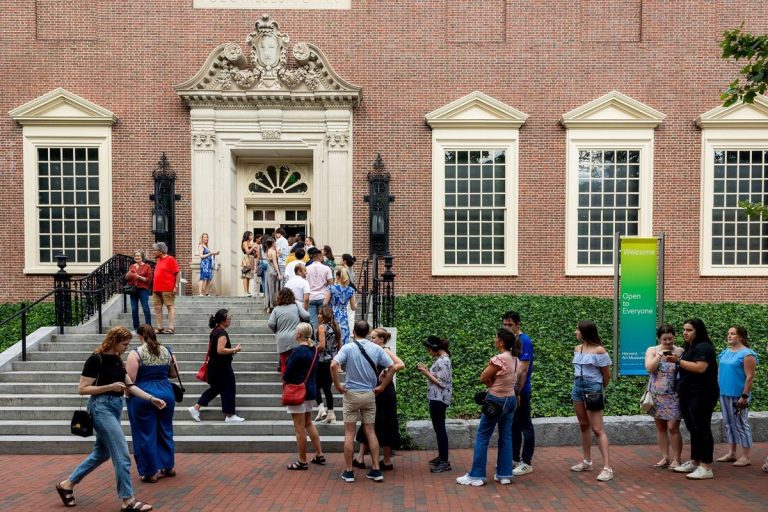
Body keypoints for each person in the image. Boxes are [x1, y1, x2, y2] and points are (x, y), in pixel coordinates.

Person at [55, 326, 164, 512]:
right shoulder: (95, 359)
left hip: (114, 407)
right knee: (121, 454)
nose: (126, 348)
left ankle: (67, 484)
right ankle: (128, 500)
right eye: (124, 344)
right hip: (100, 407)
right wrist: (109, 387)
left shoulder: (116, 359)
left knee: (102, 453)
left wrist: (151, 399)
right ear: (113, 341)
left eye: (128, 344)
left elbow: (129, 385)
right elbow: (82, 389)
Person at [331, 320, 395, 483]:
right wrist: (382, 386)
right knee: (370, 431)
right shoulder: (376, 348)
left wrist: (338, 385)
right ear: (367, 333)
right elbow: (393, 367)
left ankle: (349, 471)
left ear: (353, 331)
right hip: (369, 394)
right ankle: (375, 469)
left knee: (349, 433)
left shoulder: (348, 348)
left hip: (351, 393)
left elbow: (333, 365)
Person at [456, 329, 520, 487]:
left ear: (502, 342)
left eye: (496, 338)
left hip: (496, 400)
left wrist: (490, 383)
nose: (494, 340)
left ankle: (476, 476)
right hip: (510, 399)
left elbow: (483, 377)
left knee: (483, 436)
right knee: (506, 437)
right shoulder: (516, 359)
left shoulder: (500, 358)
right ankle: (504, 474)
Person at [126, 324, 177, 482]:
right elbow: (174, 374)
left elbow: (130, 381)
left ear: (140, 336)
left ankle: (149, 472)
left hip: (144, 395)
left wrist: (127, 395)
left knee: (144, 433)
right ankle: (167, 466)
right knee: (165, 430)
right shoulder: (167, 351)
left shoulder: (136, 353)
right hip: (166, 393)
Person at [670, 318, 719, 479]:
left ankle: (706, 466)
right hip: (688, 393)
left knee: (702, 428)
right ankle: (695, 461)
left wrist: (678, 361)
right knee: (693, 428)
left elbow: (700, 368)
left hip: (702, 393)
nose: (685, 332)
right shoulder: (689, 347)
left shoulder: (703, 347)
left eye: (689, 330)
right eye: (684, 329)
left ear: (698, 331)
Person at [354, 328, 404, 471]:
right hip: (377, 390)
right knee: (370, 422)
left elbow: (400, 364)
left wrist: (387, 370)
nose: (371, 340)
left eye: (374, 337)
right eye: (371, 337)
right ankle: (364, 457)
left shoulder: (385, 350)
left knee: (379, 422)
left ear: (382, 339)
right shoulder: (373, 350)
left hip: (384, 390)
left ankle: (383, 459)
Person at [570, 320, 613, 482]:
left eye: (577, 330)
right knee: (583, 425)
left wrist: (599, 390)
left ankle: (607, 467)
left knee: (597, 429)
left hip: (593, 387)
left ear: (585, 332)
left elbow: (606, 375)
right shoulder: (577, 349)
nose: (576, 332)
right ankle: (587, 461)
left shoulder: (599, 350)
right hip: (577, 386)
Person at [187, 309, 245, 423]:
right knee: (229, 387)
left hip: (215, 366)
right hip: (221, 367)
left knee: (216, 388)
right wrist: (235, 349)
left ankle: (196, 408)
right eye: (229, 318)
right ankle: (230, 415)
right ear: (223, 320)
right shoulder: (222, 332)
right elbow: (220, 350)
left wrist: (233, 351)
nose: (230, 320)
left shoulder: (215, 331)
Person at [283, 323, 326, 470]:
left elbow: (287, 374)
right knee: (308, 423)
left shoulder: (298, 351)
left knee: (299, 428)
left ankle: (302, 461)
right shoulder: (313, 350)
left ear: (299, 335)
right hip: (310, 390)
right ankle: (319, 454)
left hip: (298, 390)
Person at [715, 325, 758, 467]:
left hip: (739, 396)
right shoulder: (725, 352)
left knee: (741, 424)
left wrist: (744, 396)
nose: (729, 336)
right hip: (724, 393)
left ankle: (746, 456)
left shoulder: (747, 354)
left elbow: (750, 377)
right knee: (728, 424)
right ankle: (732, 453)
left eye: (732, 334)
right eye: (728, 333)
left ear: (740, 336)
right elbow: (720, 372)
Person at [644, 324, 685, 469]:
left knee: (673, 426)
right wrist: (660, 355)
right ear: (659, 338)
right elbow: (649, 368)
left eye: (670, 339)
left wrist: (676, 359)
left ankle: (677, 459)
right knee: (660, 426)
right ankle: (665, 457)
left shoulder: (680, 351)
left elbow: (685, 368)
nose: (668, 342)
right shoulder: (652, 350)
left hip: (674, 395)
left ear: (675, 337)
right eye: (664, 339)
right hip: (656, 394)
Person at [502, 310, 536, 477]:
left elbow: (523, 369)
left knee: (525, 425)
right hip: (512, 391)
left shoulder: (524, 341)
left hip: (522, 391)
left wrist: (518, 392)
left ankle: (526, 462)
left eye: (510, 324)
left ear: (517, 324)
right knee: (514, 426)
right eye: (505, 324)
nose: (507, 327)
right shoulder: (511, 341)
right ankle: (514, 458)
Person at [416, 336, 453, 473]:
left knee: (440, 429)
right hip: (436, 397)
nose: (428, 351)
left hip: (439, 398)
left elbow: (442, 383)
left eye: (429, 348)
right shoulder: (441, 359)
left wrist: (426, 373)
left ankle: (444, 461)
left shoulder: (443, 360)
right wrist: (428, 370)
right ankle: (442, 457)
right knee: (439, 429)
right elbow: (439, 377)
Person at [268, 288, 310, 375]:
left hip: (282, 340)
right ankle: (296, 384)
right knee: (297, 364)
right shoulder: (296, 306)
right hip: (295, 339)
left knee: (284, 364)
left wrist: (277, 331)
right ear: (292, 296)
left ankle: (286, 385)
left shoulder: (276, 309)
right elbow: (306, 316)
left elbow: (270, 324)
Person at [314, 306, 340, 423]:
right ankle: (331, 413)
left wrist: (312, 348)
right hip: (332, 361)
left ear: (325, 315)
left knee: (314, 385)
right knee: (327, 388)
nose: (318, 316)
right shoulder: (336, 327)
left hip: (321, 361)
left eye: (320, 314)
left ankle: (320, 408)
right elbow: (340, 345)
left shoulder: (321, 327)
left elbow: (322, 346)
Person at [151, 242, 179, 335]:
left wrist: (176, 286)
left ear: (161, 251)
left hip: (167, 287)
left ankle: (171, 328)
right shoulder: (158, 260)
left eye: (155, 250)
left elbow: (177, 273)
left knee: (169, 306)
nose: (154, 252)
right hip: (156, 288)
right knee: (157, 307)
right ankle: (160, 328)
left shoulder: (170, 259)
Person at [326, 267, 356, 345]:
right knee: (344, 334)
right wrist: (356, 305)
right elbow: (353, 308)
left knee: (332, 333)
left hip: (332, 314)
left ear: (337, 277)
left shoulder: (331, 288)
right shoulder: (351, 290)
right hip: (343, 315)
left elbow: (325, 303)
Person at [124, 250, 152, 331]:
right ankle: (136, 328)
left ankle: (148, 328)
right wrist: (127, 275)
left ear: (142, 257)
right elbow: (127, 279)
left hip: (143, 289)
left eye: (139, 256)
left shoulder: (147, 266)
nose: (137, 257)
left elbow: (149, 279)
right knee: (134, 309)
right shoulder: (132, 266)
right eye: (136, 256)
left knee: (145, 308)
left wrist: (138, 277)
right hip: (133, 290)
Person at [306, 247, 333, 329]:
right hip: (323, 296)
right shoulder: (326, 268)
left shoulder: (306, 269)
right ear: (319, 257)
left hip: (311, 296)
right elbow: (331, 284)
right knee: (323, 320)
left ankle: (314, 338)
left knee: (313, 321)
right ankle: (322, 337)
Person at [341, 253, 357, 335]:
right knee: (351, 315)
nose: (340, 261)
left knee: (348, 314)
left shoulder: (344, 270)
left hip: (346, 294)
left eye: (342, 259)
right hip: (352, 293)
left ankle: (349, 333)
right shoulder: (351, 269)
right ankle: (351, 333)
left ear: (344, 261)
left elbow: (344, 283)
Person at [264, 237, 282, 313]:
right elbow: (274, 263)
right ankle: (273, 306)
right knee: (274, 289)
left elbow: (270, 261)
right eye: (274, 242)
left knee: (268, 288)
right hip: (273, 271)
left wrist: (277, 255)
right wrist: (278, 273)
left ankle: (268, 306)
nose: (275, 243)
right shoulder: (273, 251)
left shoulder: (267, 251)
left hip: (268, 271)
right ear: (272, 243)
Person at [241, 231, 256, 297]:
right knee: (245, 275)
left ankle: (247, 291)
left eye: (252, 235)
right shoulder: (245, 242)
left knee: (249, 276)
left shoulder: (250, 243)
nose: (251, 236)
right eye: (250, 235)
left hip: (251, 259)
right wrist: (252, 247)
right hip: (247, 258)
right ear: (247, 236)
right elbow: (247, 252)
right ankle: (245, 291)